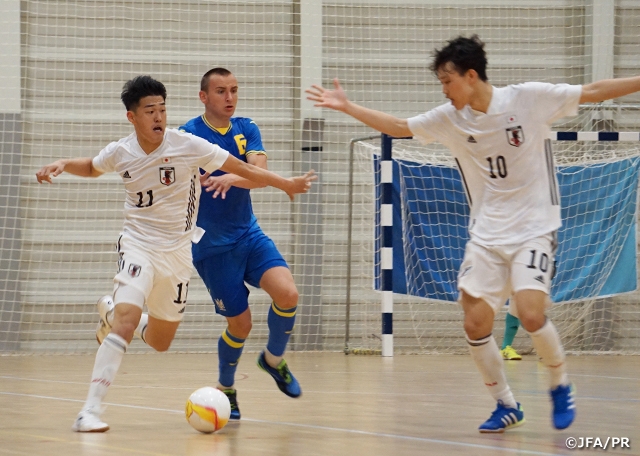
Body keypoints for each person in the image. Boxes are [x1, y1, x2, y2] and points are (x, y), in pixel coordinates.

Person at [306, 35, 640, 433]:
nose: (444, 92)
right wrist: (347, 106)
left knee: (532, 314)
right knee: (475, 324)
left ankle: (559, 384)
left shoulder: (527, 99)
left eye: (447, 82)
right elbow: (397, 127)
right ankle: (506, 405)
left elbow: (593, 91)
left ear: (470, 75)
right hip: (487, 234)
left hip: (534, 227)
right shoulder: (450, 118)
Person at [36, 75, 316, 433]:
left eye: (162, 109)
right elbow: (92, 167)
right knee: (127, 319)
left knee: (160, 341)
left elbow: (243, 168)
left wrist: (286, 183)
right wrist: (63, 163)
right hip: (138, 245)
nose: (158, 117)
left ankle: (113, 312)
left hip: (178, 253)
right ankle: (89, 411)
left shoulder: (187, 144)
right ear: (132, 117)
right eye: (149, 111)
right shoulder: (121, 151)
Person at [175, 67, 308, 420]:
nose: (230, 97)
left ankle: (273, 360)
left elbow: (258, 171)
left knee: (288, 294)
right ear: (203, 96)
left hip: (248, 234)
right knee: (241, 325)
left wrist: (234, 178)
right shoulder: (188, 134)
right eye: (221, 91)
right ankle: (226, 389)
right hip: (213, 247)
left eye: (234, 90)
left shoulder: (246, 128)